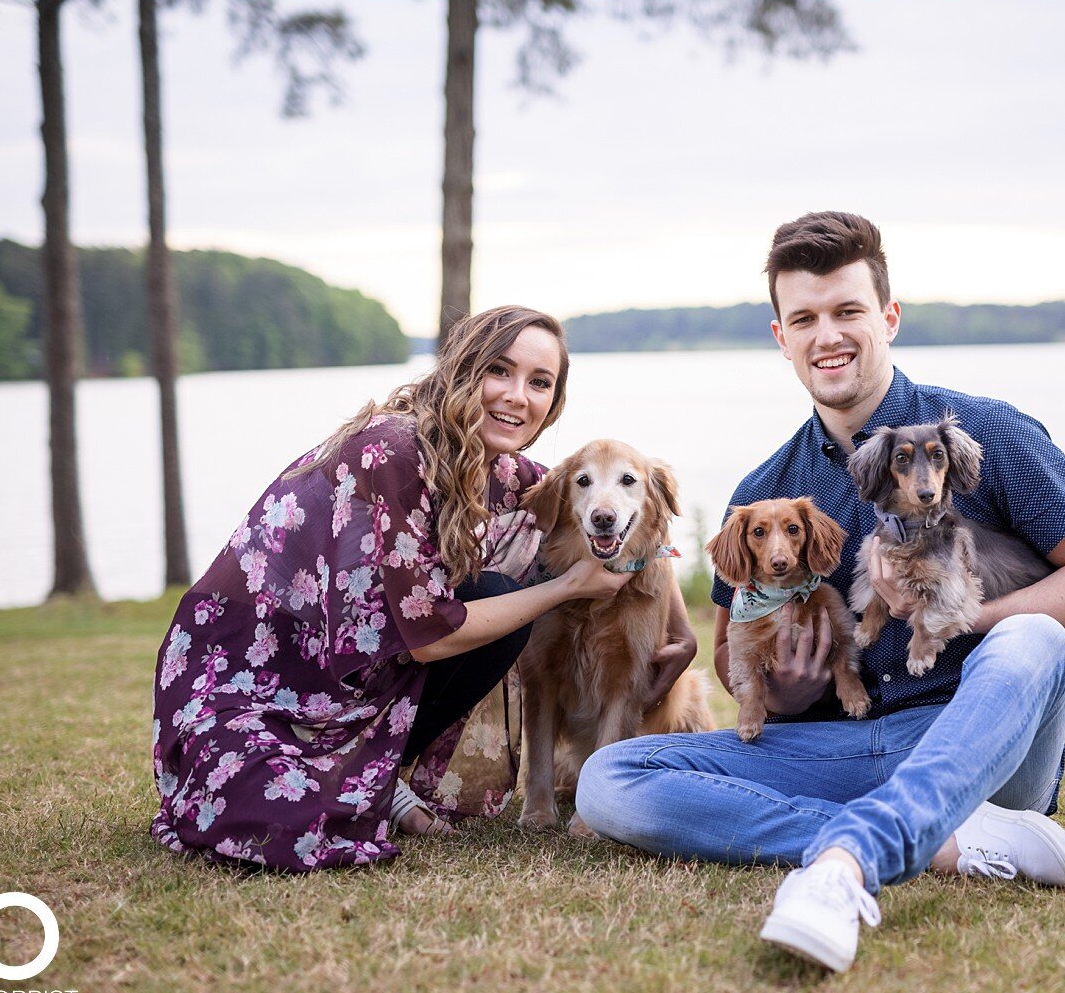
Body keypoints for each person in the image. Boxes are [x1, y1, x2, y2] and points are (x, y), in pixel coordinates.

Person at [576, 212, 1065, 974]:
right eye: (805, 318)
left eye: (848, 311)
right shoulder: (762, 492)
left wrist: (963, 615)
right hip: (836, 747)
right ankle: (953, 839)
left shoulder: (986, 431)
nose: (829, 335)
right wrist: (782, 692)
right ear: (781, 336)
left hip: (976, 743)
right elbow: (728, 655)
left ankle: (848, 859)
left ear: (887, 316)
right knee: (610, 780)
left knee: (1035, 635)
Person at [150, 305, 697, 871]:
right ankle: (363, 776)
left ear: (552, 402)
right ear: (462, 368)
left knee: (494, 597)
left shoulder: (497, 466)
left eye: (539, 383)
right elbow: (428, 635)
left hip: (342, 675)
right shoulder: (393, 452)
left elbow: (630, 521)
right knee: (270, 819)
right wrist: (562, 590)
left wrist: (680, 630)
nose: (516, 395)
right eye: (498, 371)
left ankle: (371, 774)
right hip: (247, 671)